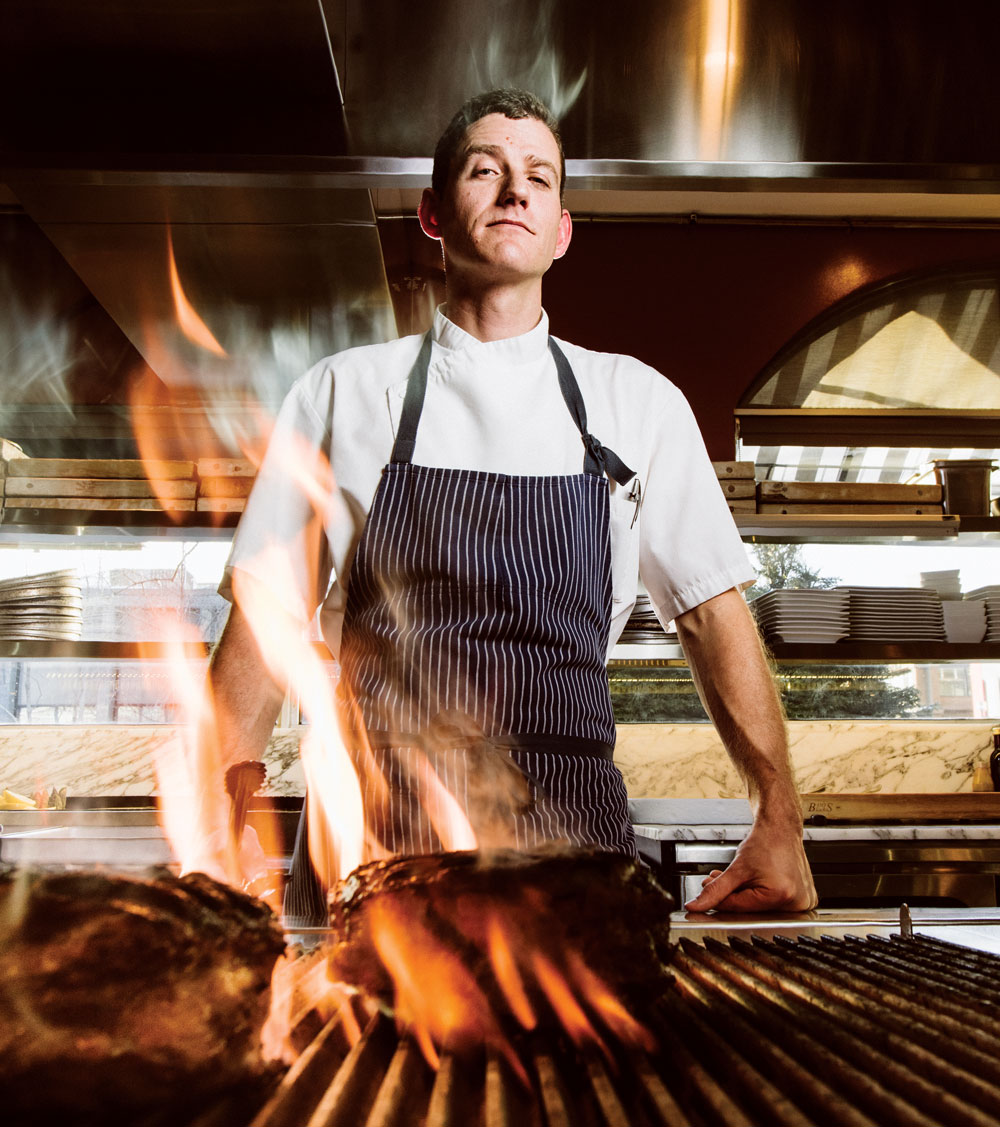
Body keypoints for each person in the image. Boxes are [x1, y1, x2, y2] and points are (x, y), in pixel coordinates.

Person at [209, 88, 817, 923]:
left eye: (538, 176)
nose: (513, 190)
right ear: (432, 213)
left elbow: (713, 612)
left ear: (561, 228)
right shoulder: (344, 392)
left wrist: (779, 817)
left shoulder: (636, 402)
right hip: (372, 848)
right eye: (483, 170)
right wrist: (215, 820)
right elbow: (264, 616)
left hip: (569, 850)